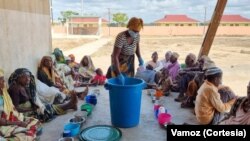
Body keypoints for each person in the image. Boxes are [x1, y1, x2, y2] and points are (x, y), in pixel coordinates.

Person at [8, 68, 78, 122]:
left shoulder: (24, 87)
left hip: (29, 109)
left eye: (29, 77)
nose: (28, 79)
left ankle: (70, 105)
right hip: (24, 114)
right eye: (24, 77)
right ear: (18, 78)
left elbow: (31, 99)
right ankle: (70, 105)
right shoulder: (15, 89)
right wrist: (31, 109)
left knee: (45, 106)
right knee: (46, 110)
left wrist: (35, 105)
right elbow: (16, 108)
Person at [0, 69, 42, 140]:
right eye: (1, 79)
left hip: (12, 118)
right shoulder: (15, 88)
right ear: (18, 78)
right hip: (4, 124)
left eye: (3, 79)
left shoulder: (4, 93)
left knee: (36, 122)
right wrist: (18, 123)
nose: (4, 81)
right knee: (25, 135)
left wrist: (19, 119)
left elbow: (13, 109)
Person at [106, 17, 144, 85]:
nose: (135, 33)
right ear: (129, 27)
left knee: (128, 81)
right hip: (119, 61)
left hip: (130, 61)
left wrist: (140, 58)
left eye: (137, 31)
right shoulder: (121, 36)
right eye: (134, 31)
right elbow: (115, 56)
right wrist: (118, 73)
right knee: (118, 81)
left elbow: (137, 49)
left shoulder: (137, 36)